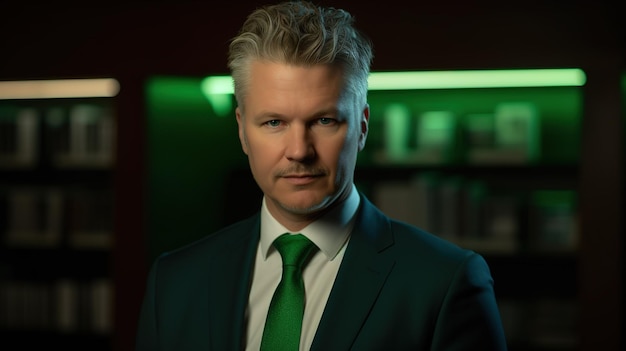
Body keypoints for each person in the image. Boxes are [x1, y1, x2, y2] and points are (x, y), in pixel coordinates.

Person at [136, 1, 508, 350]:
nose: (299, 150)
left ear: (362, 127)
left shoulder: (444, 282)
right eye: (274, 122)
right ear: (241, 130)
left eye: (324, 120)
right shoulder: (174, 282)